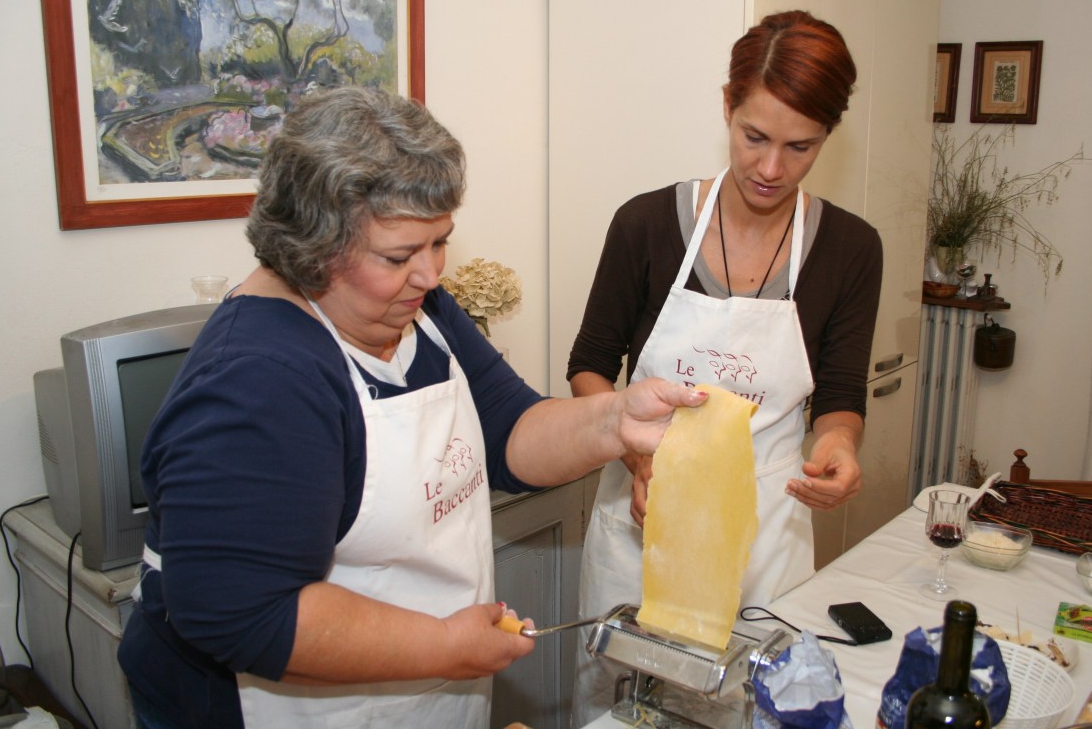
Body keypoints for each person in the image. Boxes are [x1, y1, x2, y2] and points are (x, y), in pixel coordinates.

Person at [115, 86, 708, 729]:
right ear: (314, 248)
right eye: (400, 256)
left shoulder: (415, 310)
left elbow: (510, 432)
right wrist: (445, 645)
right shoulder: (257, 379)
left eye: (439, 243)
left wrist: (614, 420)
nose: (429, 275)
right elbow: (247, 613)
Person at [567, 10, 883, 724]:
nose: (771, 169)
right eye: (755, 137)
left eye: (800, 147)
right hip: (640, 525)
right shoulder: (645, 225)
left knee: (756, 705)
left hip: (766, 530)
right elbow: (589, 366)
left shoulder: (849, 249)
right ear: (726, 108)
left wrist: (838, 445)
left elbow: (838, 393)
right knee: (628, 704)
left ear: (828, 136)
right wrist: (637, 456)